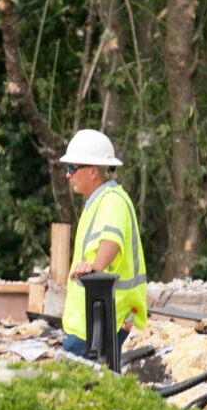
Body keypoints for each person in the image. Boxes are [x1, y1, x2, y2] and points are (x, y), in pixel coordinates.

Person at [58, 128, 148, 360]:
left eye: (72, 168)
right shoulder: (97, 202)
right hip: (92, 320)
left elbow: (112, 240)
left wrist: (96, 267)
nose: (68, 175)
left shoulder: (112, 201)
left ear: (93, 171)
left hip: (102, 319)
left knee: (67, 384)